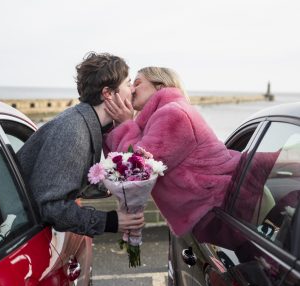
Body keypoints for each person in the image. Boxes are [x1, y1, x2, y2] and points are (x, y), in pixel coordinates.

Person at [17, 52, 144, 237]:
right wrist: (111, 221)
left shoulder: (87, 123)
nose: (133, 89)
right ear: (108, 93)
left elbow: (70, 179)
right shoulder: (73, 131)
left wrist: (111, 184)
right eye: (128, 83)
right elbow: (51, 207)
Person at [103, 66, 241, 236]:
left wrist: (124, 123)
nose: (131, 89)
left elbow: (136, 168)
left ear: (160, 86)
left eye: (137, 83)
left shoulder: (173, 114)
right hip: (219, 209)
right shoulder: (162, 115)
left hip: (224, 207)